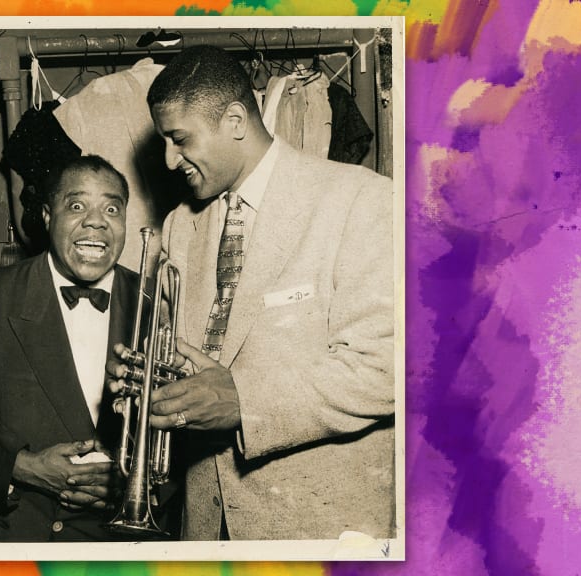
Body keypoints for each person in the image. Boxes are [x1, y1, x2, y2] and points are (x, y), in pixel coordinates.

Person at [109, 45, 396, 541]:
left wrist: (244, 401)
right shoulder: (180, 225)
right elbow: (197, 366)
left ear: (236, 121)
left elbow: (386, 367)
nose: (169, 160)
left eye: (180, 139)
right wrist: (152, 388)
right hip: (206, 533)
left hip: (320, 533)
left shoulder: (360, 200)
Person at [0, 155, 142, 541]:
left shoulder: (154, 301)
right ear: (47, 216)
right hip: (30, 532)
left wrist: (135, 485)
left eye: (111, 209)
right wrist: (23, 466)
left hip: (127, 540)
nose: (96, 221)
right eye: (77, 205)